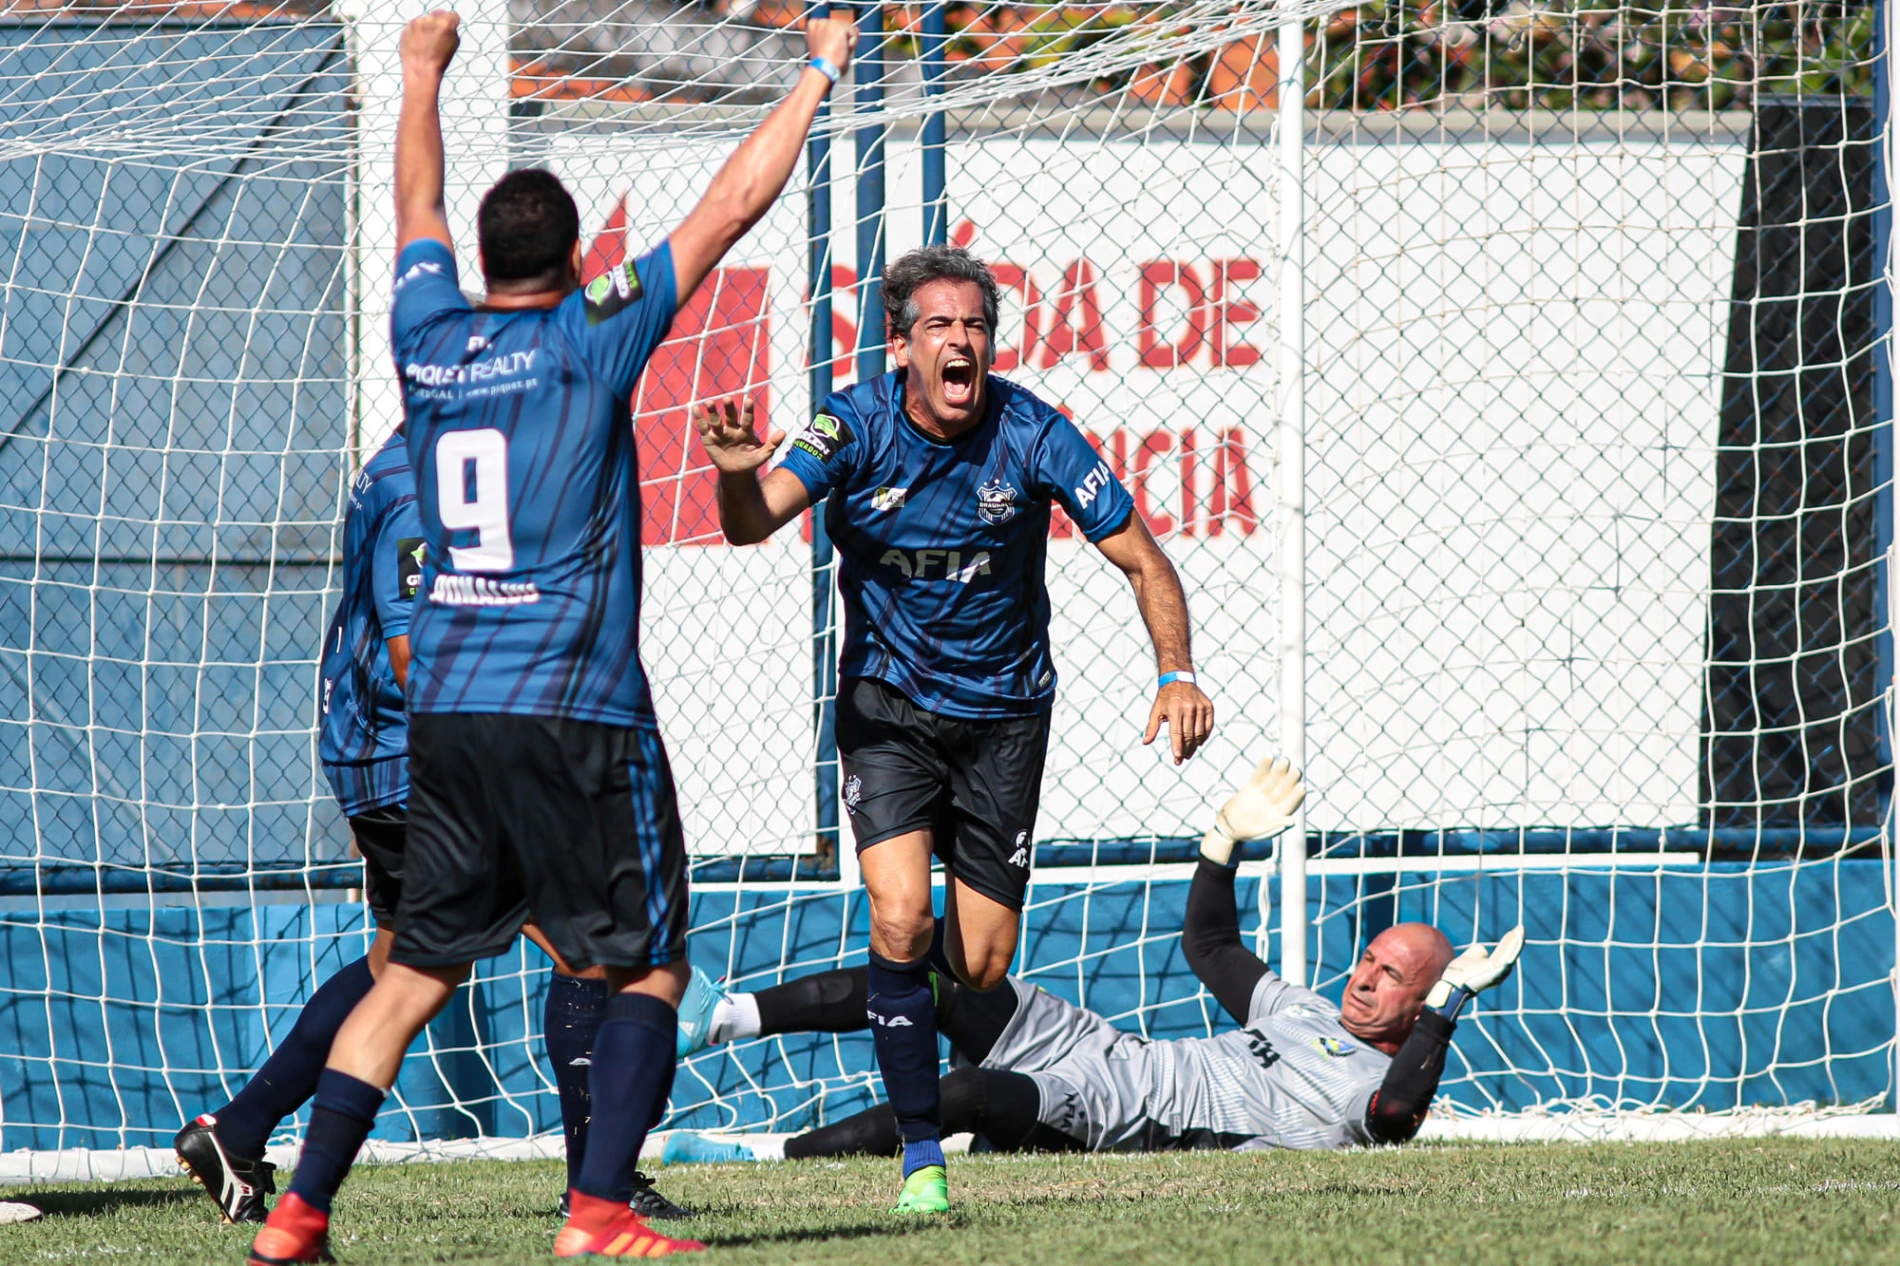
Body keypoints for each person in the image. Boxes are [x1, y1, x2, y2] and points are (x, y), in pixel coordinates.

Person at [245, 8, 858, 1263]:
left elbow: (411, 194)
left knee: (411, 975)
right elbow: (733, 202)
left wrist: (419, 73)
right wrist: (816, 72)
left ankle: (298, 1216)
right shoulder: (591, 335)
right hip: (576, 710)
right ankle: (596, 1215)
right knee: (645, 972)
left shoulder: (425, 333)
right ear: (580, 259)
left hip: (449, 713)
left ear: (472, 257)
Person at [693, 245, 1217, 1213]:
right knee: (899, 919)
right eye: (939, 326)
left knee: (975, 965)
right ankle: (922, 1158)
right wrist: (734, 474)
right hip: (887, 710)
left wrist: (1176, 672)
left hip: (1005, 719)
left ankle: (762, 1012)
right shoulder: (849, 424)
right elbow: (750, 522)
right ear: (900, 346)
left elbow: (1143, 560)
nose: (961, 341)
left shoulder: (1033, 431)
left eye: (974, 325)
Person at [177, 429, 686, 1227]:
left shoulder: (457, 457)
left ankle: (239, 1131)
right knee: (592, 950)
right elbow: (419, 655)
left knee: (398, 966)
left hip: (389, 762)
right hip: (424, 761)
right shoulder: (424, 482)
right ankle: (599, 1191)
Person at [663, 757, 1525, 1161]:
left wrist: (1451, 1004)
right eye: (1369, 957)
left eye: (1390, 977)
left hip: (1121, 1111)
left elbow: (1395, 1116)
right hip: (1102, 1047)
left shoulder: (1363, 1098)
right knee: (927, 977)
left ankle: (765, 1158)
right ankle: (721, 1017)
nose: (1363, 975)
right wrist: (1221, 844)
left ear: (1420, 1008)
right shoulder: (1301, 1010)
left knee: (961, 1095)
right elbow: (1211, 947)